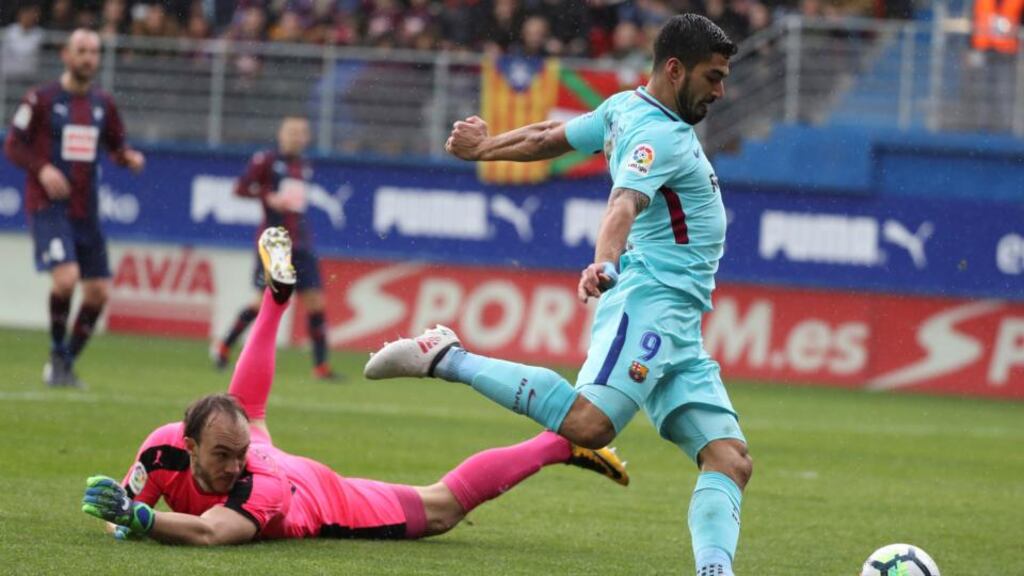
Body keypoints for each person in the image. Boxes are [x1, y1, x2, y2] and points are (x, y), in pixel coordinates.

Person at [365, 14, 750, 576]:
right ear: (674, 69)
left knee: (729, 459)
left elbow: (548, 136)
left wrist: (485, 147)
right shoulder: (659, 135)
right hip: (649, 301)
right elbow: (623, 204)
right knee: (591, 425)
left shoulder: (627, 108)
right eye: (713, 77)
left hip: (680, 323)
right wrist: (604, 262)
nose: (720, 90)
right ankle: (446, 356)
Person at [82, 227, 628, 545]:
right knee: (244, 407)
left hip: (313, 495)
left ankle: (560, 441)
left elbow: (206, 533)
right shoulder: (161, 446)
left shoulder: (257, 479)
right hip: (264, 455)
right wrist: (123, 514)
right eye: (223, 454)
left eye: (237, 455)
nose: (232, 465)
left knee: (439, 510)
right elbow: (126, 516)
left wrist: (138, 518)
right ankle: (277, 297)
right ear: (187, 442)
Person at [3, 28, 145, 389]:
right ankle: (55, 353)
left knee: (98, 293)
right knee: (65, 280)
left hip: (87, 211)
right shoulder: (41, 99)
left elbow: (116, 144)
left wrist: (127, 158)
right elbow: (14, 145)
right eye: (81, 51)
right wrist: (43, 168)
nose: (87, 58)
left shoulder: (103, 104)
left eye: (94, 52)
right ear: (66, 55)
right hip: (49, 207)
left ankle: (64, 363)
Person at [212, 117, 337, 380]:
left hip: (301, 242)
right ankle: (224, 346)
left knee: (316, 302)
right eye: (291, 131)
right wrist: (267, 196)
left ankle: (321, 367)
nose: (297, 136)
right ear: (281, 134)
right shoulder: (266, 161)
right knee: (260, 303)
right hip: (275, 242)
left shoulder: (304, 165)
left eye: (302, 132)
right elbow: (240, 188)